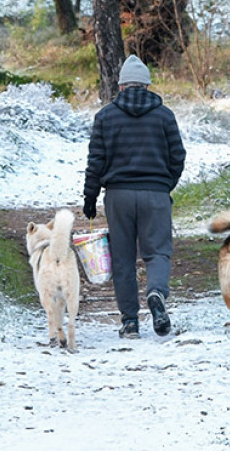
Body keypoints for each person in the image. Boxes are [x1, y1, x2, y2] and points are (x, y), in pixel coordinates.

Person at [83, 55, 186, 339]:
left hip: (118, 196)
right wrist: (165, 184)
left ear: (121, 86)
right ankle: (156, 293)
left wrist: (90, 198)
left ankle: (130, 322)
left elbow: (96, 162)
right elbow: (178, 156)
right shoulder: (165, 116)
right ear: (148, 86)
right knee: (157, 253)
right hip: (156, 194)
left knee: (123, 259)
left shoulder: (105, 117)